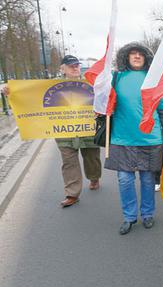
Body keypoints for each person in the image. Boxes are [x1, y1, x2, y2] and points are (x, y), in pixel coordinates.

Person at [3, 55, 103, 207]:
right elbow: (30, 97)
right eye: (71, 66)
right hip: (64, 133)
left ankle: (94, 177)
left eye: (77, 65)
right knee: (69, 163)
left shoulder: (91, 83)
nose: (75, 68)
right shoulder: (51, 85)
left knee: (92, 159)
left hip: (88, 131)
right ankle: (72, 193)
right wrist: (12, 92)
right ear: (62, 69)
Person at [104, 42, 163, 235]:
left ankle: (147, 214)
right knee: (124, 180)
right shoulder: (115, 78)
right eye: (132, 54)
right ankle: (129, 217)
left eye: (140, 54)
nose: (136, 56)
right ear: (125, 57)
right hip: (121, 139)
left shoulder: (154, 80)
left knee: (147, 180)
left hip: (150, 140)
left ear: (146, 58)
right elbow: (98, 97)